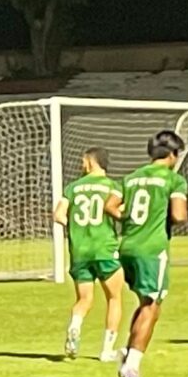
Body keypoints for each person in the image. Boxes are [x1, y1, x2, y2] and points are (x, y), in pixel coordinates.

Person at [115, 131, 188, 377]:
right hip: (152, 249)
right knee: (152, 305)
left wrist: (130, 219)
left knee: (148, 303)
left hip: (128, 246)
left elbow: (113, 206)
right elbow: (179, 215)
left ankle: (127, 350)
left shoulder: (131, 178)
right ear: (172, 155)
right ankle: (132, 365)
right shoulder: (174, 179)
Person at [55, 147, 126, 361]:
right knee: (114, 298)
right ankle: (106, 351)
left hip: (80, 251)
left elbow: (59, 215)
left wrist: (76, 227)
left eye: (83, 160)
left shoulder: (73, 188)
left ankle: (75, 327)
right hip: (104, 249)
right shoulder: (113, 186)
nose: (81, 164)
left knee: (84, 299)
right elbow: (120, 211)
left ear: (90, 161)